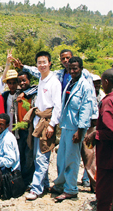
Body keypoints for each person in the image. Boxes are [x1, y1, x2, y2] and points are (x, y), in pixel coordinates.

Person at [51, 57, 94, 201]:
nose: (73, 71)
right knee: (61, 158)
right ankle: (61, 184)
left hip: (75, 128)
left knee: (71, 159)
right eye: (70, 68)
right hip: (65, 126)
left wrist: (80, 130)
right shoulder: (70, 82)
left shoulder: (85, 86)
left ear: (81, 68)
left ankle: (71, 189)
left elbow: (85, 109)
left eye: (75, 68)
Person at [24, 51, 62, 200]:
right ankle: (44, 184)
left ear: (50, 63)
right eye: (39, 62)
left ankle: (36, 189)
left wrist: (52, 124)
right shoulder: (41, 79)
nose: (41, 65)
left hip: (46, 122)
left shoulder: (54, 82)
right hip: (37, 121)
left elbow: (57, 106)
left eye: (44, 62)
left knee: (42, 156)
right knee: (37, 155)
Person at [85, 68, 113, 211]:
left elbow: (110, 130)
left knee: (104, 196)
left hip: (108, 158)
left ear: (106, 82)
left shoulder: (108, 101)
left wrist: (95, 134)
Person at [12, 71, 36, 187]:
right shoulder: (17, 95)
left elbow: (38, 87)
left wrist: (26, 94)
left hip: (30, 128)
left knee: (29, 155)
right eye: (19, 81)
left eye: (24, 80)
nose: (22, 83)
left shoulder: (33, 93)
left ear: (29, 80)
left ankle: (29, 180)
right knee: (21, 154)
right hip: (19, 129)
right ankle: (22, 178)